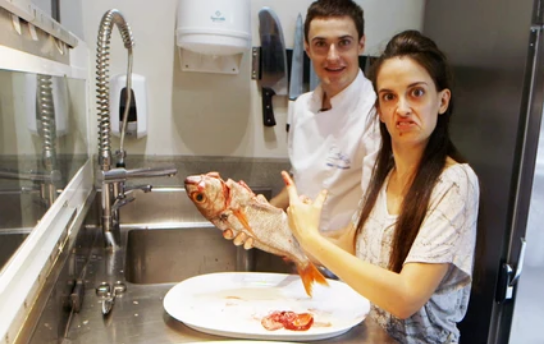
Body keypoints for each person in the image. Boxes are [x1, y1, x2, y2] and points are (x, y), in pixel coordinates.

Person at [240, 30, 480, 343]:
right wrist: (266, 228)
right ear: (379, 108)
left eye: (417, 93)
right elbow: (351, 248)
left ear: (442, 101)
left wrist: (312, 238)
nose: (402, 108)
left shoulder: (455, 183)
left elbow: (406, 298)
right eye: (389, 96)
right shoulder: (385, 173)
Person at [231, 0, 379, 243]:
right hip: (305, 251)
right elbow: (299, 188)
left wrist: (317, 248)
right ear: (307, 48)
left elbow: (375, 212)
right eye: (321, 44)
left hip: (348, 262)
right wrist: (256, 216)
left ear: (361, 44)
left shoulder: (377, 112)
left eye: (344, 43)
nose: (333, 57)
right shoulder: (302, 107)